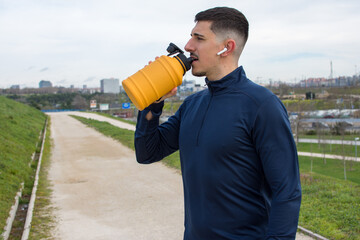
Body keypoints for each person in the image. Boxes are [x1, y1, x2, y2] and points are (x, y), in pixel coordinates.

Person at [135, 7, 301, 240]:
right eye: (191, 36)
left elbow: (287, 192)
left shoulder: (262, 106)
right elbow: (146, 152)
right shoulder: (192, 105)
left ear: (227, 47)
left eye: (198, 38)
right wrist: (152, 102)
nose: (189, 46)